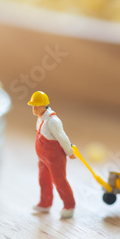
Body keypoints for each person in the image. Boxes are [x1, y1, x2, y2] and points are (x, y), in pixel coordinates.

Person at [28, 91, 76, 219]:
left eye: (36, 106)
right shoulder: (39, 118)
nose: (34, 108)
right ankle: (45, 203)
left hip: (55, 158)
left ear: (44, 105)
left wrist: (69, 152)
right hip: (43, 158)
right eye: (33, 106)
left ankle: (69, 205)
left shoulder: (53, 121)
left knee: (59, 181)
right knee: (43, 179)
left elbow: (63, 138)